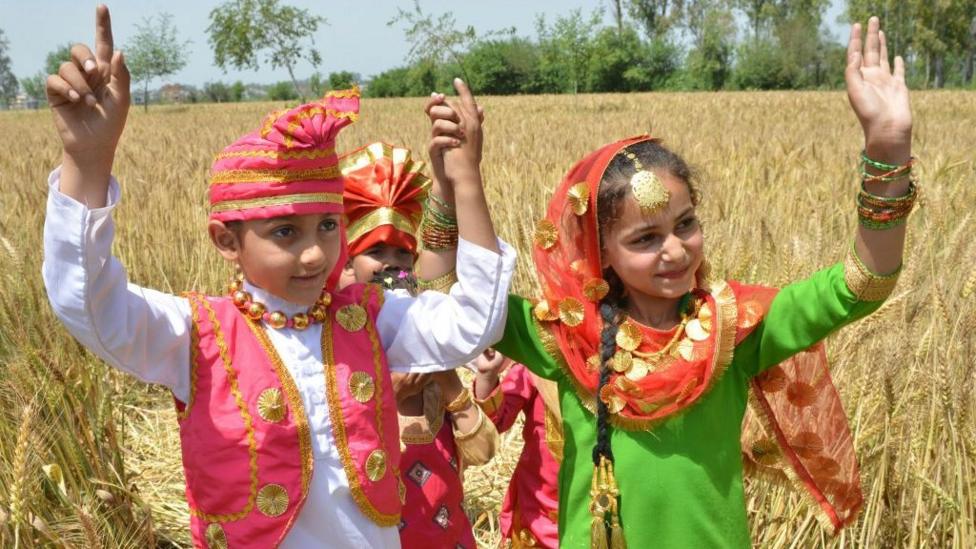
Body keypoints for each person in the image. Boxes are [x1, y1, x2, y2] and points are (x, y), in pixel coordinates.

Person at [430, 16, 913, 548]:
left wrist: (887, 151)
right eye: (645, 239)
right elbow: (453, 297)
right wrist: (460, 181)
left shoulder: (734, 326)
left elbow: (863, 284)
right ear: (603, 255)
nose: (676, 250)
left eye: (685, 224)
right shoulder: (565, 336)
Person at [41, 6, 514, 548]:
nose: (314, 254)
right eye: (285, 233)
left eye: (329, 226)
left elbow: (475, 322)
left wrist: (467, 183)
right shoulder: (195, 336)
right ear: (227, 241)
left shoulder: (370, 320)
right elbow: (89, 306)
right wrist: (88, 161)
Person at [336, 141, 499, 548]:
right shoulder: (337, 349)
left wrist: (445, 381)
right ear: (345, 263)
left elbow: (482, 451)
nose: (392, 264)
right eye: (375, 251)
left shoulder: (429, 342)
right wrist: (387, 396)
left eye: (402, 255)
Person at [471, 349, 561, 549]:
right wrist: (487, 374)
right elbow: (495, 423)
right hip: (538, 512)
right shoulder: (540, 356)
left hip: (599, 502)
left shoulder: (623, 359)